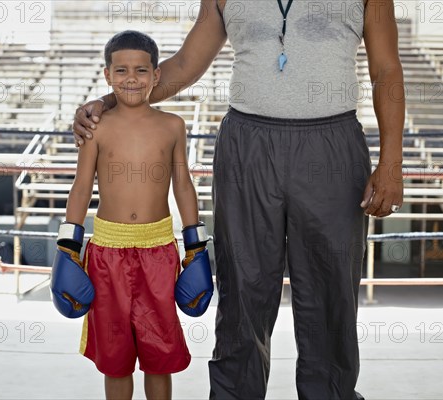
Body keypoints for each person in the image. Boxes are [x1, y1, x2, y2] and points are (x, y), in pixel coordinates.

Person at [73, 1, 405, 399]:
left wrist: (392, 162)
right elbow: (185, 65)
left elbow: (385, 69)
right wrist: (109, 102)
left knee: (331, 288)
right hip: (248, 143)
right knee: (243, 287)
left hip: (330, 143)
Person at [50, 30, 213, 400]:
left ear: (157, 75)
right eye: (121, 71)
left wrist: (195, 247)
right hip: (107, 252)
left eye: (141, 70)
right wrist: (67, 247)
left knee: (160, 355)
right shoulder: (96, 128)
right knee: (116, 357)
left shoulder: (173, 125)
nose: (131, 79)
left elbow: (183, 185)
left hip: (159, 250)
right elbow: (81, 187)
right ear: (106, 75)